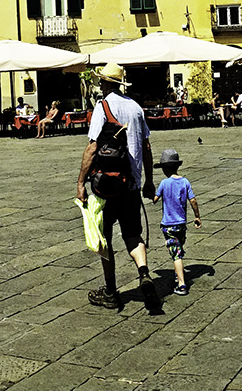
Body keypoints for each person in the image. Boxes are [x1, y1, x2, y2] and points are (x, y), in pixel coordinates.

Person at [76, 63, 156, 309]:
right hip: (130, 185)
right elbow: (147, 148)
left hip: (105, 187)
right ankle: (143, 273)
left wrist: (80, 182)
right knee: (133, 234)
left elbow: (92, 147)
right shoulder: (135, 107)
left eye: (101, 81)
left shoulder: (103, 107)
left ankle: (110, 291)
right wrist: (149, 181)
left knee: (104, 239)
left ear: (105, 83)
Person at [155, 149, 198, 295]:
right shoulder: (185, 181)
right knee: (179, 249)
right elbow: (193, 200)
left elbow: (155, 199)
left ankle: (181, 284)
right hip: (181, 224)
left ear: (164, 168)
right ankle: (177, 273)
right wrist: (197, 216)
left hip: (168, 225)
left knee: (176, 255)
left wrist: (149, 194)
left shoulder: (164, 183)